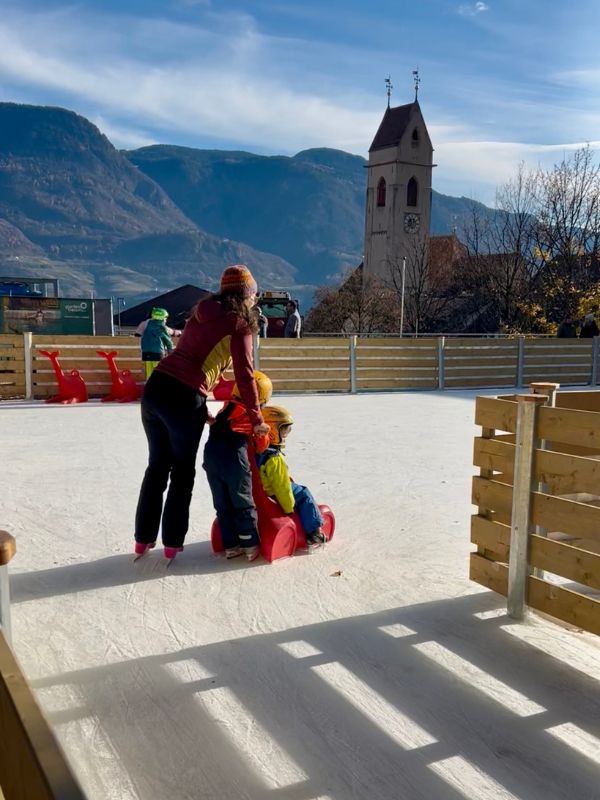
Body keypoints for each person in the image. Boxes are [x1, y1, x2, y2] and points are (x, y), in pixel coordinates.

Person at [134, 265, 270, 561]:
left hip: (156, 389)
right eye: (254, 296)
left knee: (157, 467)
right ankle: (171, 543)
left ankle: (142, 539)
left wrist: (199, 406)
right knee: (182, 471)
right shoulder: (239, 323)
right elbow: (245, 375)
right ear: (247, 295)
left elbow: (192, 357)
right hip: (184, 397)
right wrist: (257, 418)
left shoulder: (201, 312)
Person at [203, 371, 273, 561]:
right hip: (234, 460)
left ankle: (231, 546)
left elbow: (216, 423)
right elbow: (261, 446)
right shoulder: (251, 415)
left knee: (222, 505)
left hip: (211, 459)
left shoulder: (225, 406)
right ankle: (249, 544)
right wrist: (264, 433)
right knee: (242, 503)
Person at [257, 405, 327, 550]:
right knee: (303, 493)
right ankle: (314, 532)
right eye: (284, 429)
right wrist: (289, 508)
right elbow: (281, 487)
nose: (286, 434)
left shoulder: (258, 451)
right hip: (273, 493)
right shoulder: (273, 458)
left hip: (262, 491)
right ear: (271, 430)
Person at [140, 308, 175, 380]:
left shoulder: (147, 326)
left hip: (146, 354)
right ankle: (158, 390)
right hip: (157, 354)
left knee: (149, 374)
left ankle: (149, 389)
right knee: (159, 374)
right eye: (165, 318)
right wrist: (170, 351)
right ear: (161, 318)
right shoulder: (161, 327)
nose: (166, 320)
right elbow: (167, 340)